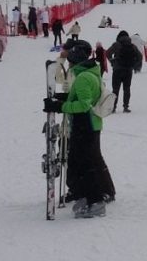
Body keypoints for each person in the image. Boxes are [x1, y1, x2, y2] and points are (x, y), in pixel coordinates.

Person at [43, 40, 113, 218]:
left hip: (85, 125)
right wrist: (62, 99)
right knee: (79, 162)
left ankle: (95, 200)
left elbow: (83, 104)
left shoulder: (83, 77)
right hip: (88, 125)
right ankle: (83, 194)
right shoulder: (88, 74)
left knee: (86, 164)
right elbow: (76, 94)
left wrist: (61, 107)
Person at [107, 31, 142, 113]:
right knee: (127, 89)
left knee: (115, 89)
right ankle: (126, 107)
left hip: (117, 70)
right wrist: (133, 65)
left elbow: (107, 53)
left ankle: (113, 107)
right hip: (128, 70)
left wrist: (112, 62)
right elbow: (140, 57)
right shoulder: (132, 46)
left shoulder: (116, 45)